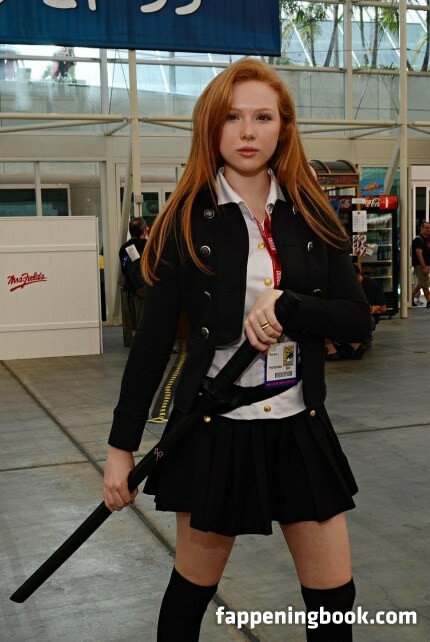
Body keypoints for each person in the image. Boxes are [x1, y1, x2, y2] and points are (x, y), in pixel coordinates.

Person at [104, 59, 371, 641]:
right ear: (211, 127)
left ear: (283, 127)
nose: (248, 131)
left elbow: (357, 322)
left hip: (299, 422)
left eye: (262, 117)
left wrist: (289, 305)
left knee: (335, 600)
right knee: (190, 596)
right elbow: (151, 345)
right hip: (215, 428)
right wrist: (121, 449)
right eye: (232, 118)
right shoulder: (184, 221)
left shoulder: (313, 214)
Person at [325, 264, 386, 360]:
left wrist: (369, 308)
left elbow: (383, 308)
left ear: (358, 275)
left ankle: (334, 350)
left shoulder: (372, 285)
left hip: (366, 318)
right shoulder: (349, 287)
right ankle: (353, 345)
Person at [118, 216, 148, 338]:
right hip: (143, 291)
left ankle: (137, 346)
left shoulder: (124, 248)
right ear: (144, 231)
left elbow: (125, 270)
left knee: (134, 326)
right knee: (145, 323)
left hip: (128, 289)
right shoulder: (147, 246)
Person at [411, 221, 430, 308]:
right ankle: (429, 301)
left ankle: (410, 299)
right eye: (426, 228)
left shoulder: (427, 239)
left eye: (429, 228)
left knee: (420, 284)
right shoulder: (418, 240)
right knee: (425, 284)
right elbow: (419, 254)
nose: (428, 230)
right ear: (421, 228)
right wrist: (424, 267)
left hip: (426, 265)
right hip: (420, 266)